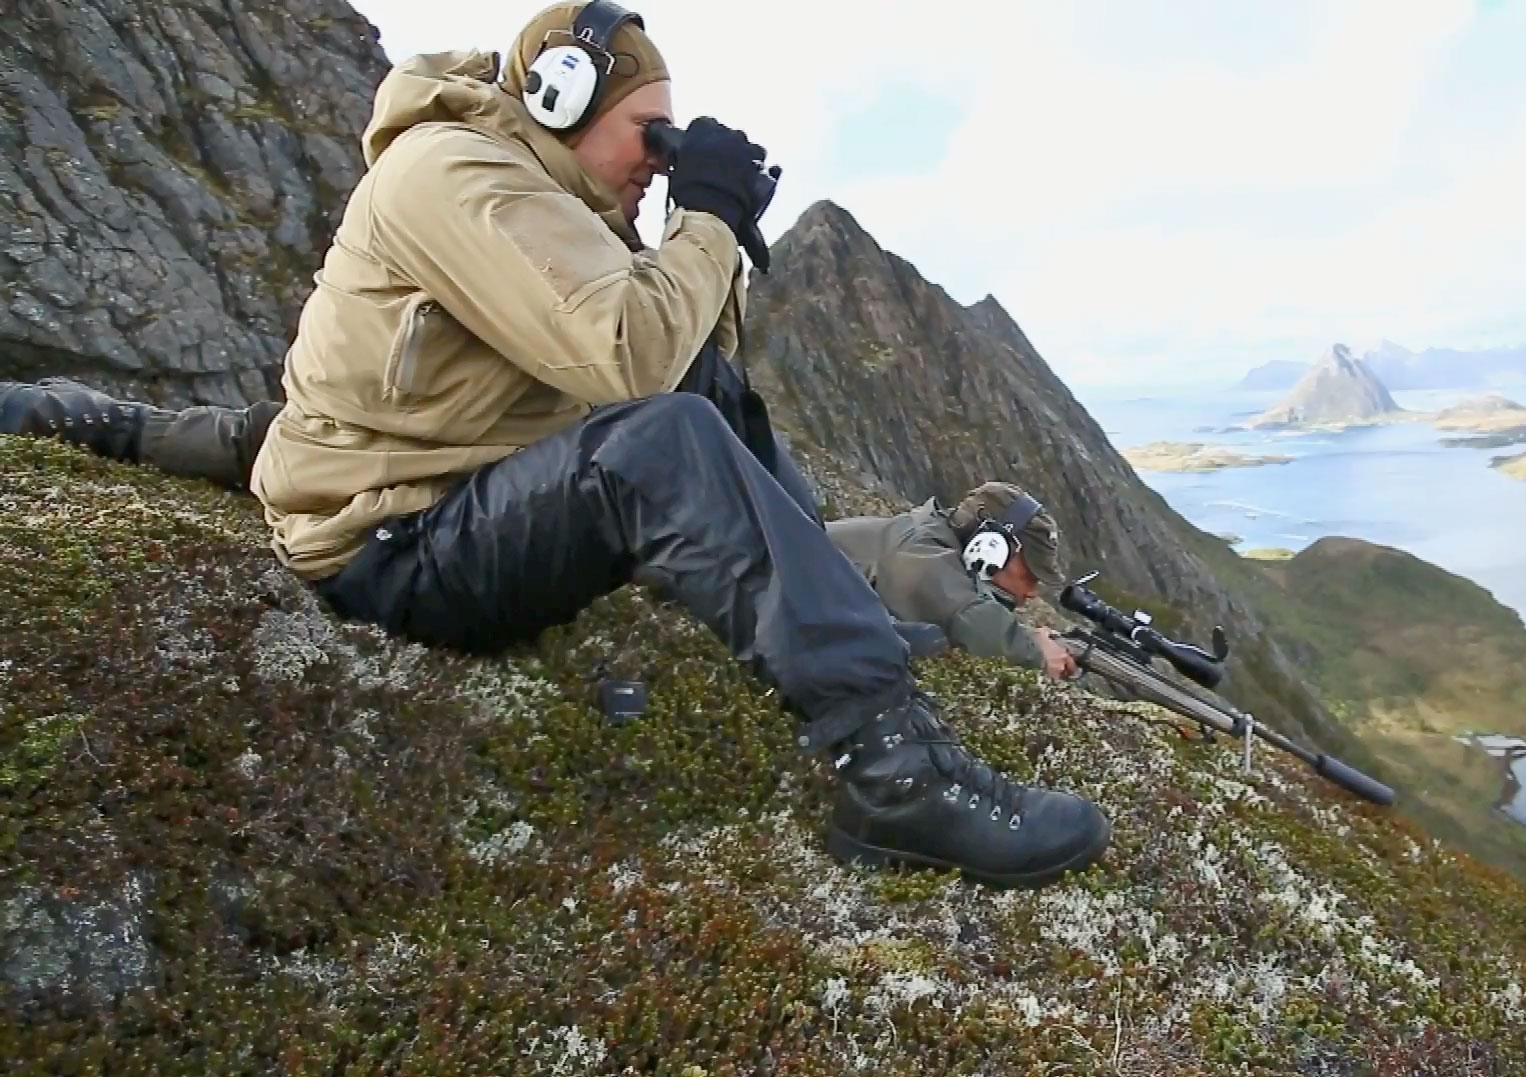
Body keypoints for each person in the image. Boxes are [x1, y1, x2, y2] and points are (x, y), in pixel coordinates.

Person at [0, 1, 1108, 890]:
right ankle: (897, 776)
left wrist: (703, 237)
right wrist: (705, 222)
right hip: (394, 548)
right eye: (650, 133)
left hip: (451, 472)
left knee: (704, 392)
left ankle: (830, 612)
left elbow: (678, 357)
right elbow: (630, 361)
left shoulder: (550, 198)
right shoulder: (451, 175)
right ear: (559, 93)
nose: (659, 159)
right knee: (663, 438)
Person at [828, 482, 1081, 679]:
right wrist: (1036, 654)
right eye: (1029, 576)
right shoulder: (919, 557)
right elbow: (964, 615)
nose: (1032, 592)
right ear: (991, 546)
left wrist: (1030, 638)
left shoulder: (926, 539)